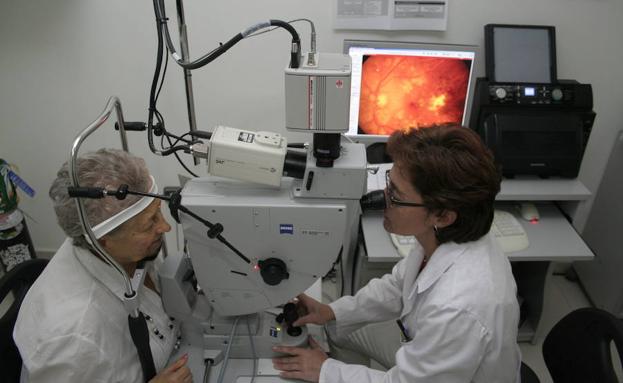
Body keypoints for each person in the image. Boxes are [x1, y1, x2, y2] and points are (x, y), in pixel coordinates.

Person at [272, 125, 521, 382]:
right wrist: (331, 311)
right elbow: (398, 285)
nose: (382, 199)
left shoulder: (458, 307)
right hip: (429, 347)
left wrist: (325, 371)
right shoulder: (441, 235)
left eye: (396, 196)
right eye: (389, 183)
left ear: (443, 216)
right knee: (336, 328)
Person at [13, 149, 192, 383]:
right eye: (150, 225)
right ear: (104, 241)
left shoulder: (116, 244)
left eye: (158, 212)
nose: (165, 227)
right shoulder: (73, 336)